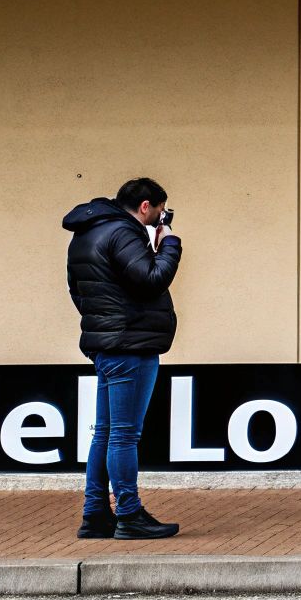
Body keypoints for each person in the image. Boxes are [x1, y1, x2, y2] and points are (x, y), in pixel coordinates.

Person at [63, 178, 183, 540]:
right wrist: (169, 244)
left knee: (106, 433)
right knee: (124, 436)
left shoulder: (86, 233)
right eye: (160, 212)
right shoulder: (125, 232)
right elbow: (152, 278)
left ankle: (95, 513)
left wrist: (103, 324)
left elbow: (76, 289)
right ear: (146, 206)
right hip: (130, 345)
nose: (160, 219)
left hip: (106, 344)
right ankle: (129, 514)